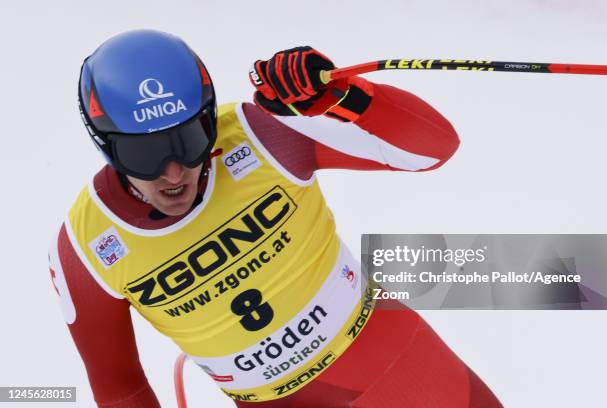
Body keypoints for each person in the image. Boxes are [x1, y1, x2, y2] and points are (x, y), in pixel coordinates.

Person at [48, 29, 502, 407]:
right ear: (105, 144)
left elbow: (432, 149)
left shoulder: (264, 135)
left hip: (409, 373)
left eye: (189, 140)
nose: (172, 172)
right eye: (143, 153)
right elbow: (120, 387)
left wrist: (339, 97)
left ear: (208, 118)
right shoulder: (87, 247)